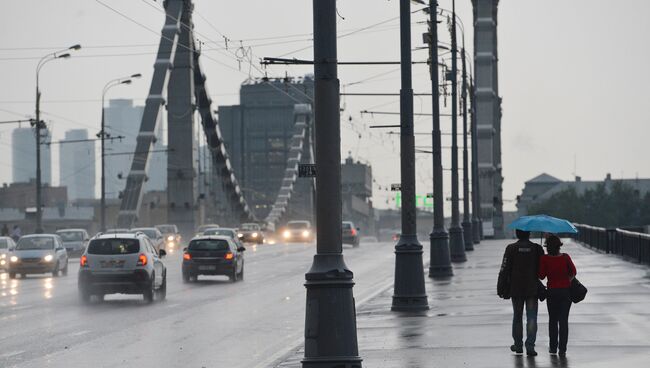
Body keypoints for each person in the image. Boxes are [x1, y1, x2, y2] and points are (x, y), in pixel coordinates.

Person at [497, 229, 545, 356]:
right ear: (529, 234)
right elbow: (542, 272)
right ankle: (530, 346)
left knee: (517, 316)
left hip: (516, 288)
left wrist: (500, 287)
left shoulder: (511, 248)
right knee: (532, 318)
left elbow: (504, 268)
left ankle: (518, 345)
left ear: (517, 234)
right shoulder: (536, 248)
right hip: (532, 289)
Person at [539, 235, 576, 357]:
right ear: (559, 246)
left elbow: (541, 276)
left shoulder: (545, 259)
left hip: (552, 292)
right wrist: (567, 281)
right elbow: (573, 272)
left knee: (553, 320)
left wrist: (541, 261)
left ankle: (553, 347)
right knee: (563, 320)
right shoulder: (565, 257)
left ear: (547, 247)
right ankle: (563, 349)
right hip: (565, 292)